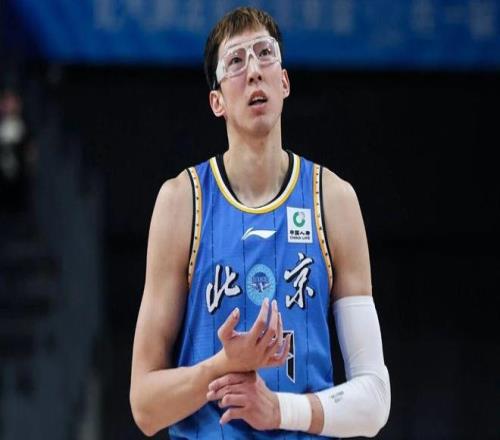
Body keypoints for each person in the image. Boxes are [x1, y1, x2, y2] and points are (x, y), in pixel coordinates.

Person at [130, 7, 390, 439]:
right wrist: (223, 365)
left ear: (284, 82)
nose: (253, 71)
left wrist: (279, 410)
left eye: (265, 54)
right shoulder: (182, 202)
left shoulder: (333, 200)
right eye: (235, 61)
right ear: (217, 102)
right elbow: (145, 406)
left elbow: (375, 398)